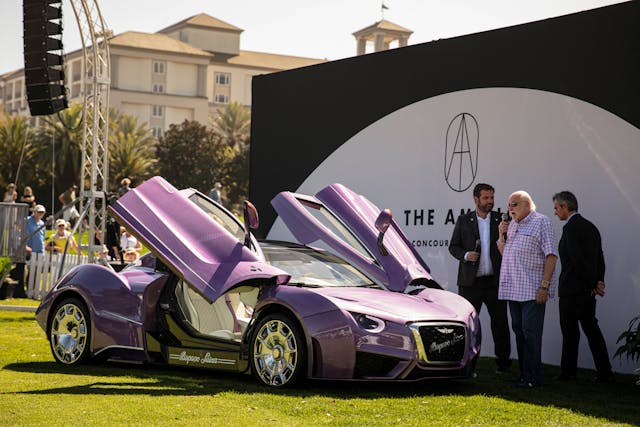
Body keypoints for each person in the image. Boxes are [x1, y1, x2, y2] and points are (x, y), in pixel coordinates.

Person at [449, 183, 511, 374]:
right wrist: (466, 255)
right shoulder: (463, 220)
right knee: (470, 326)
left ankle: (503, 365)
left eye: (492, 198)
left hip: (494, 283)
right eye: (486, 198)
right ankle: (468, 365)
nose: (490, 202)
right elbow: (453, 247)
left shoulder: (502, 220)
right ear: (476, 199)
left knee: (500, 324)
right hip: (470, 284)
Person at [552, 191, 614, 383]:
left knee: (570, 333)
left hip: (572, 291)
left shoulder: (570, 229)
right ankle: (605, 372)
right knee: (592, 330)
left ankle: (568, 373)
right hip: (588, 291)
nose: (555, 212)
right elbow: (600, 258)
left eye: (556, 208)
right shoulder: (591, 227)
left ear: (565, 207)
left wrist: (592, 283)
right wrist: (597, 282)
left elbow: (577, 260)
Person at [498, 190, 557, 389]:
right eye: (509, 205)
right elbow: (505, 253)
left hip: (532, 289)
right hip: (512, 289)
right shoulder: (512, 225)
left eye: (514, 204)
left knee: (531, 333)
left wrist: (544, 286)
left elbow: (551, 256)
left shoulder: (542, 222)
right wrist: (501, 234)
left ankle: (533, 378)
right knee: (519, 332)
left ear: (527, 205)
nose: (510, 209)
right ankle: (523, 375)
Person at [11, 204, 47, 298]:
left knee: (35, 272)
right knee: (24, 270)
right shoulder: (26, 220)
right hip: (27, 250)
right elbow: (18, 231)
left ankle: (32, 291)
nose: (40, 214)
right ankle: (22, 291)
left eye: (42, 212)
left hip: (39, 251)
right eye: (39, 212)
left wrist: (43, 249)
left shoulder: (42, 223)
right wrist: (24, 246)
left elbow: (42, 238)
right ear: (34, 212)